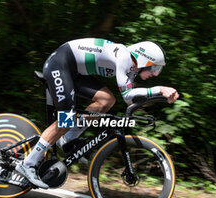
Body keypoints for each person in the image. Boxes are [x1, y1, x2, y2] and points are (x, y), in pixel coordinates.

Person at [15, 38, 179, 189]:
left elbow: (130, 100)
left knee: (106, 100)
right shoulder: (124, 57)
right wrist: (160, 89)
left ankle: (67, 140)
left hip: (73, 72)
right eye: (154, 68)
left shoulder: (131, 68)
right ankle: (28, 163)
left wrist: (161, 96)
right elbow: (128, 96)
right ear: (144, 59)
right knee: (67, 119)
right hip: (60, 64)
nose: (154, 73)